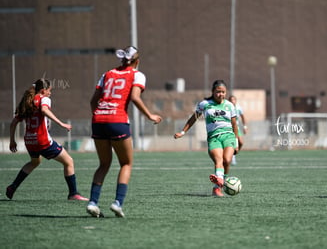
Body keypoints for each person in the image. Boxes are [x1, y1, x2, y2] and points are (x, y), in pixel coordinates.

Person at [87, 46, 162, 218]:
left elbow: (93, 101)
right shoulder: (137, 74)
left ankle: (92, 202)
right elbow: (135, 97)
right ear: (137, 61)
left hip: (98, 120)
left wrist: (100, 116)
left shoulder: (107, 74)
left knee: (104, 164)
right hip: (118, 120)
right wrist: (150, 115)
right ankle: (117, 203)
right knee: (126, 163)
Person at [6, 78, 88, 201]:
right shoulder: (44, 99)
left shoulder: (26, 102)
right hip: (42, 141)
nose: (50, 93)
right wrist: (61, 123)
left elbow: (13, 123)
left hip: (29, 140)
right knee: (69, 162)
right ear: (43, 90)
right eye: (49, 90)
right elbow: (44, 110)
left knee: (34, 162)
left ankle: (13, 186)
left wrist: (12, 140)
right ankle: (73, 193)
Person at [174, 80, 239, 197]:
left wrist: (237, 142)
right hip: (214, 138)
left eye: (223, 92)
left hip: (228, 136)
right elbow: (193, 118)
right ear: (213, 92)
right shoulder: (204, 104)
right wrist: (183, 132)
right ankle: (217, 188)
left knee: (227, 160)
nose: (221, 94)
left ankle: (221, 180)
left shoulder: (230, 105)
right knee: (219, 161)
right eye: (218, 92)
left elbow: (234, 125)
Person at [228, 95, 248, 165]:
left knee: (241, 142)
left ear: (236, 101)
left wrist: (245, 127)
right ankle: (231, 156)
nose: (232, 101)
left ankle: (233, 154)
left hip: (236, 128)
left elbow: (243, 117)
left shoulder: (239, 108)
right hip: (229, 128)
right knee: (231, 143)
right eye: (231, 100)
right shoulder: (227, 107)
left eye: (233, 100)